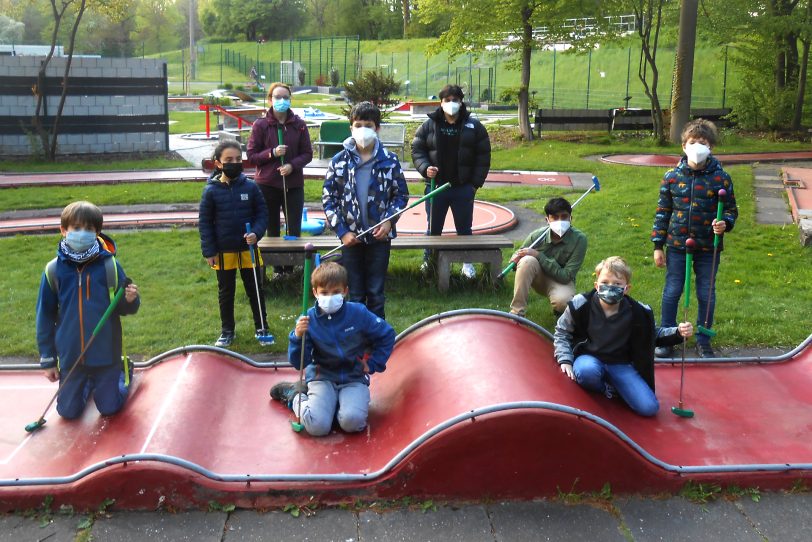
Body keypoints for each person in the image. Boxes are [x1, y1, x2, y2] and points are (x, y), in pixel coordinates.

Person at [36, 201, 140, 420]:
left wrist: (130, 300)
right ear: (64, 230)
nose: (82, 233)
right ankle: (86, 384)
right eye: (76, 228)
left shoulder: (109, 266)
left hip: (106, 354)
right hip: (71, 356)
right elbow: (44, 316)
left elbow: (122, 307)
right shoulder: (53, 270)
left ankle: (123, 371)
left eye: (89, 229)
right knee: (67, 412)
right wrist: (48, 359)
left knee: (109, 408)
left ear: (97, 232)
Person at [553, 257, 693, 417]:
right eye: (605, 282)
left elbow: (653, 335)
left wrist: (678, 332)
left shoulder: (639, 312)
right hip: (589, 358)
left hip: (620, 364)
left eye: (617, 284)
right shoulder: (580, 304)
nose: (610, 287)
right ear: (596, 285)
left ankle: (616, 386)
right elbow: (562, 331)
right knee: (586, 371)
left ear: (626, 288)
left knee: (649, 408)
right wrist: (565, 358)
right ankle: (606, 389)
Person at [269, 262, 396, 437]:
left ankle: (336, 406)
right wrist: (297, 337)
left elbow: (387, 335)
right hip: (323, 377)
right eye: (324, 293)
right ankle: (295, 395)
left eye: (336, 292)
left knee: (352, 422)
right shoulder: (308, 320)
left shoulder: (358, 313)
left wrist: (374, 363)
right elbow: (300, 362)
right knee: (317, 427)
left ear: (345, 291)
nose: (330, 297)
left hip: (353, 376)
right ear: (315, 293)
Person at [651, 119, 737, 358]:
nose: (697, 146)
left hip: (709, 247)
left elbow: (731, 210)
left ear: (711, 148)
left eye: (703, 143)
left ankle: (703, 339)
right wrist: (658, 246)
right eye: (693, 142)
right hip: (677, 245)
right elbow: (662, 212)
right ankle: (667, 337)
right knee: (672, 290)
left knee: (706, 293)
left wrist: (725, 223)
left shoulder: (721, 179)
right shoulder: (671, 177)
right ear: (684, 146)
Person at [322, 101, 409, 319]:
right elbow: (329, 199)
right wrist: (342, 232)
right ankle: (356, 337)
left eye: (368, 125)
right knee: (356, 294)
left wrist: (389, 221)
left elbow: (401, 195)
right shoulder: (339, 161)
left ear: (377, 128)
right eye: (357, 124)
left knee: (376, 294)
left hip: (379, 239)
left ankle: (377, 337)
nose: (363, 130)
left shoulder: (389, 160)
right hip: (351, 239)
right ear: (350, 127)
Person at [411, 84, 491, 278]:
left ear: (461, 102)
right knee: (433, 228)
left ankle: (467, 264)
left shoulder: (474, 126)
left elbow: (483, 156)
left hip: (463, 188)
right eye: (447, 100)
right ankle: (429, 262)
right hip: (436, 187)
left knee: (464, 229)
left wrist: (473, 185)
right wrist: (424, 168)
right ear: (441, 102)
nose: (451, 104)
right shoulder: (429, 125)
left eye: (455, 100)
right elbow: (417, 149)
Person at [199, 140, 270, 347]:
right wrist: (209, 251)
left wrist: (256, 233)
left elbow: (262, 214)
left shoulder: (251, 186)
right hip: (224, 250)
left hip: (248, 249)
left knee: (255, 288)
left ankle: (262, 326)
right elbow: (205, 223)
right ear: (218, 163)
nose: (235, 163)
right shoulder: (211, 191)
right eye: (229, 160)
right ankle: (227, 331)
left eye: (238, 159)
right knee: (226, 291)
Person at [246, 82, 313, 243]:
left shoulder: (299, 125)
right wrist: (272, 153)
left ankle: (291, 265)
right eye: (277, 97)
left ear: (290, 100)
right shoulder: (261, 125)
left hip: (293, 185)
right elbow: (252, 156)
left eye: (285, 97)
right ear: (270, 99)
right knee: (272, 227)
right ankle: (277, 267)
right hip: (267, 184)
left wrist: (292, 166)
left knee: (293, 228)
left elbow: (307, 154)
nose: (281, 100)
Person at [509, 197, 587, 317]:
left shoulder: (580, 240)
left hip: (562, 281)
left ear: (571, 218)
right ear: (547, 220)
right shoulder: (536, 235)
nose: (560, 221)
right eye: (555, 217)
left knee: (564, 303)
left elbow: (566, 276)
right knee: (526, 260)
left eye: (564, 216)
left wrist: (539, 255)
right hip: (539, 278)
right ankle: (517, 313)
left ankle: (559, 311)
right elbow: (520, 254)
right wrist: (515, 259)